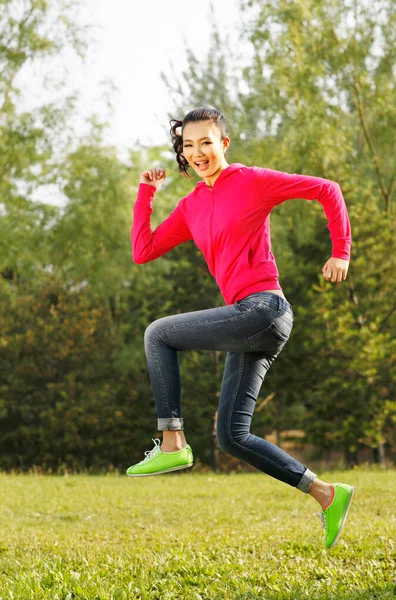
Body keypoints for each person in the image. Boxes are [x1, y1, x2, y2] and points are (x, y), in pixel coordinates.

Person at [127, 106, 354, 549]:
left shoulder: (251, 180)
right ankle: (327, 494)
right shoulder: (192, 206)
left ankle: (172, 443)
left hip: (265, 308)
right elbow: (144, 249)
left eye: (206, 143)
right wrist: (145, 193)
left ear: (223, 144)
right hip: (248, 320)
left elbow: (327, 189)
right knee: (232, 436)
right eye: (189, 145)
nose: (198, 153)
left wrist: (340, 250)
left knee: (159, 333)